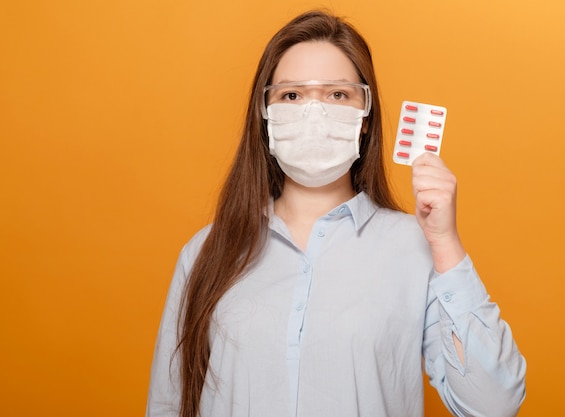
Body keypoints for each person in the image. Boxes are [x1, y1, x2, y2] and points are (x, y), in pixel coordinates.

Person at [146, 9, 526, 417]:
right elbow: (169, 404)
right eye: (291, 95)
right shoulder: (205, 252)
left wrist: (445, 243)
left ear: (365, 118)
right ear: (266, 115)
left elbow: (494, 405)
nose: (314, 113)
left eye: (337, 95)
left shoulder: (416, 250)